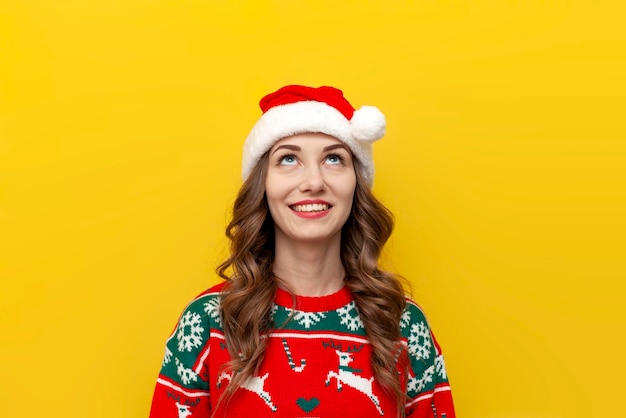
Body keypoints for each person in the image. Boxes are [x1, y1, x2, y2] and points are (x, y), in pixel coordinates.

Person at [148, 85, 456, 417]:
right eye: (289, 159)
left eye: (334, 158)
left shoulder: (402, 325)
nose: (313, 181)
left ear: (357, 183)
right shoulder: (207, 323)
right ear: (262, 184)